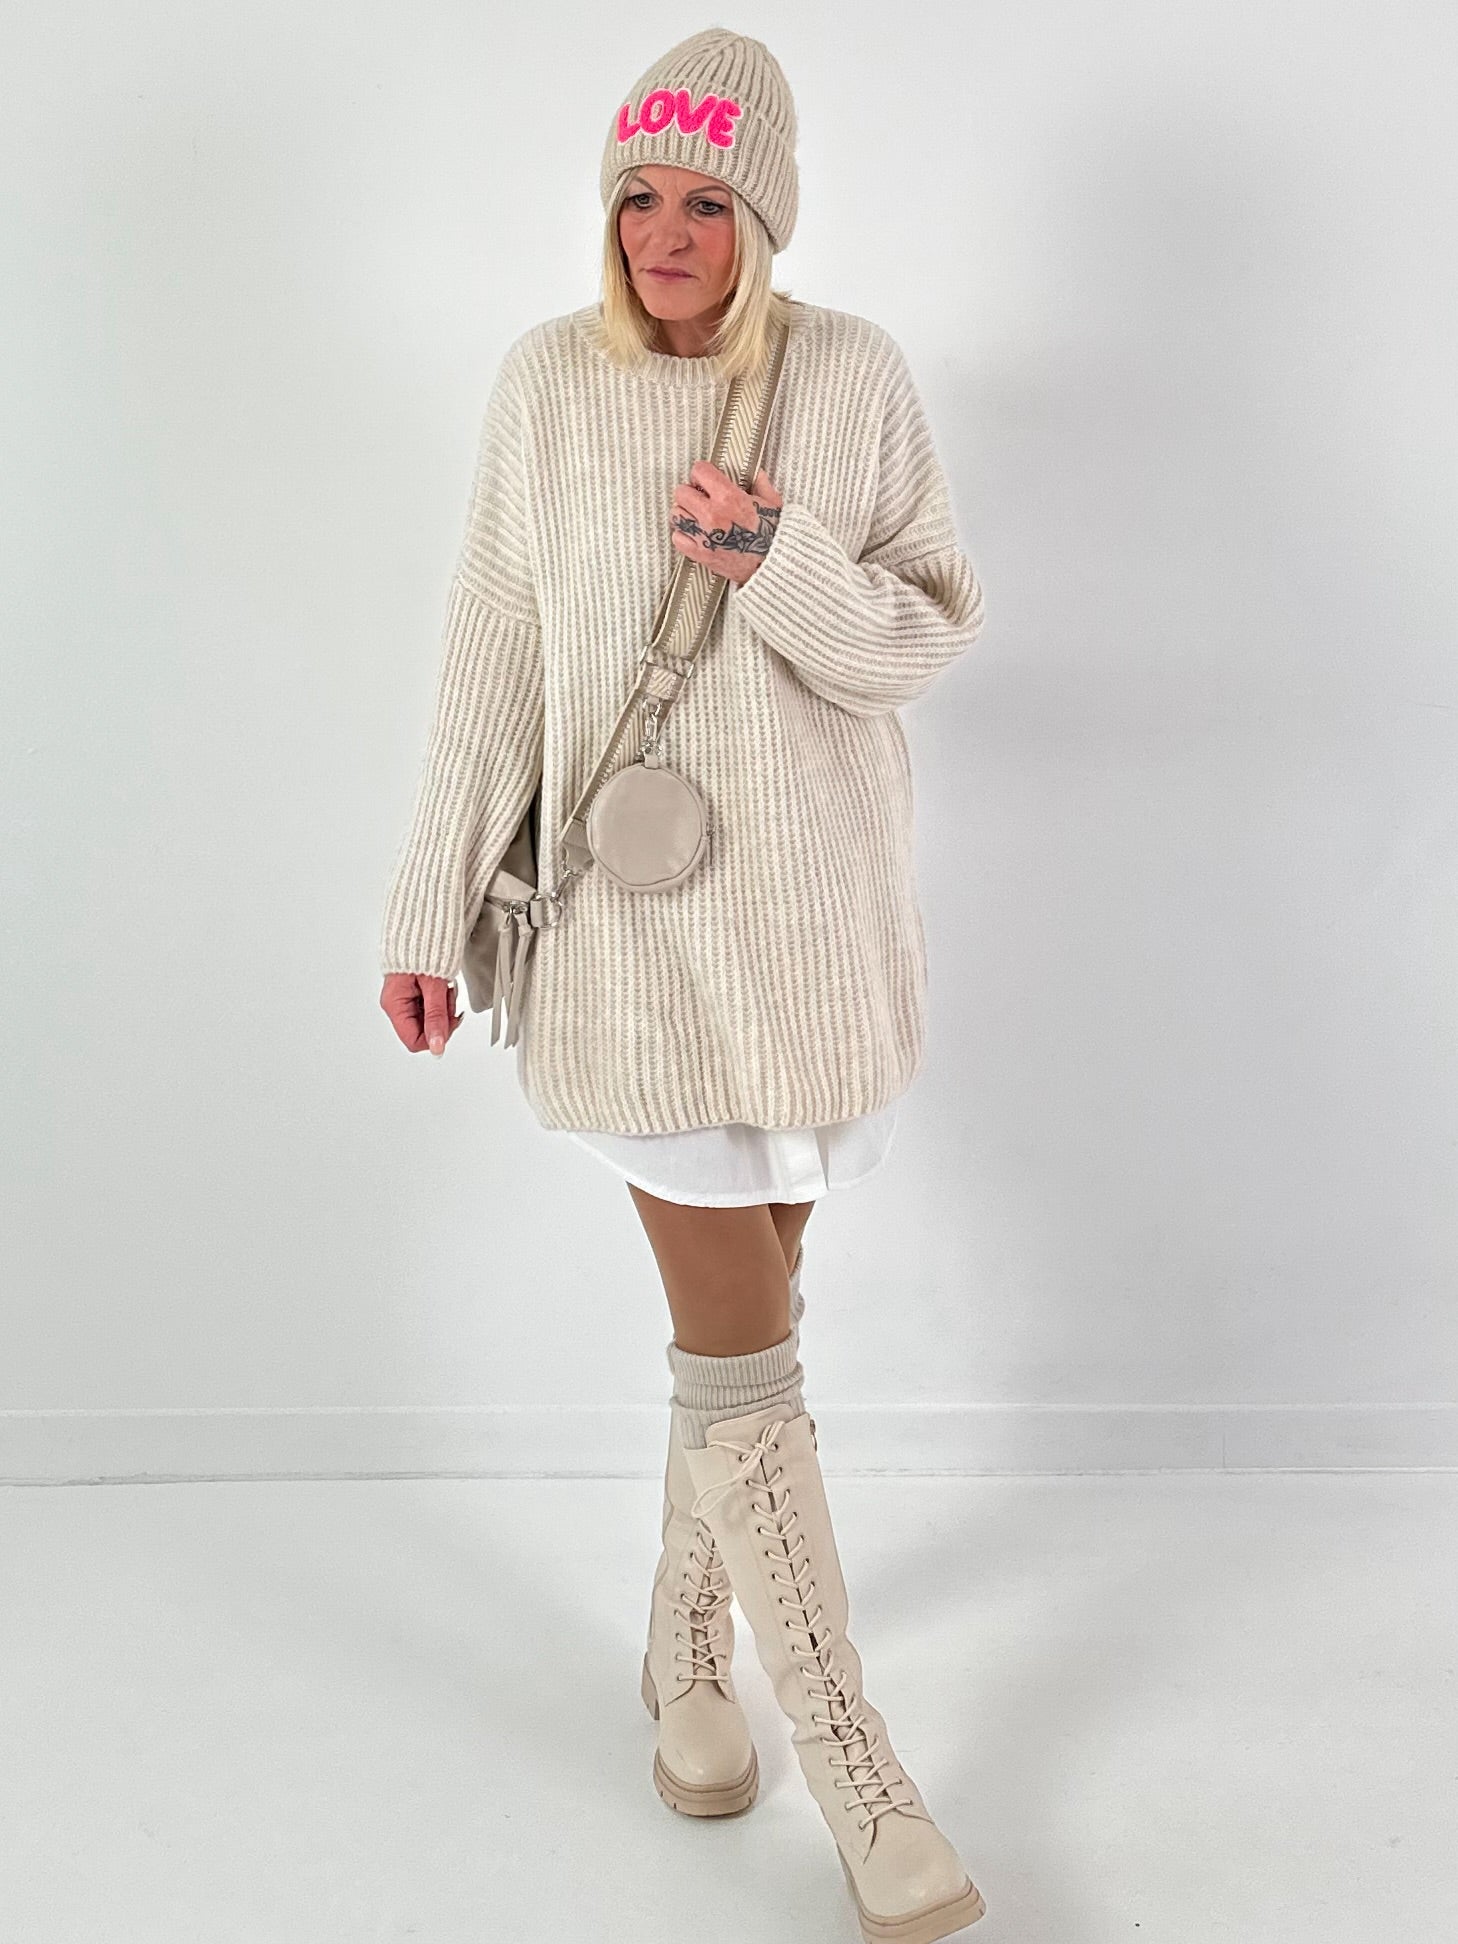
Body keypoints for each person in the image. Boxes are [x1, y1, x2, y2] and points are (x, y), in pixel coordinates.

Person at [378, 28, 988, 1943]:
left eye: (704, 199)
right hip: (631, 947)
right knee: (743, 1349)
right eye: (636, 194)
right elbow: (491, 651)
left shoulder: (851, 375)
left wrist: (777, 556)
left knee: (752, 1328)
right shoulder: (547, 384)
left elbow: (922, 638)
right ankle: (861, 1775)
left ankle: (684, 1656)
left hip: (813, 934)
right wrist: (427, 903)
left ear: (762, 214)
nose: (662, 231)